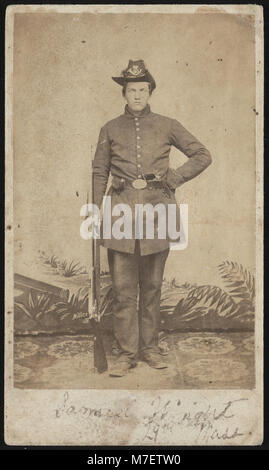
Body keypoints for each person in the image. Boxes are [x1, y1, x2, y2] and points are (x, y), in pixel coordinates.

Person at [93, 60, 212, 377]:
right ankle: (125, 353)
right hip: (119, 213)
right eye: (132, 90)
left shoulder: (167, 123)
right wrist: (95, 212)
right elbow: (98, 172)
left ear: (150, 92)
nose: (137, 95)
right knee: (123, 289)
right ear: (124, 93)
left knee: (153, 287)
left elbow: (202, 154)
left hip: (159, 212)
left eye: (143, 90)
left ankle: (150, 348)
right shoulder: (110, 128)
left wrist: (173, 179)